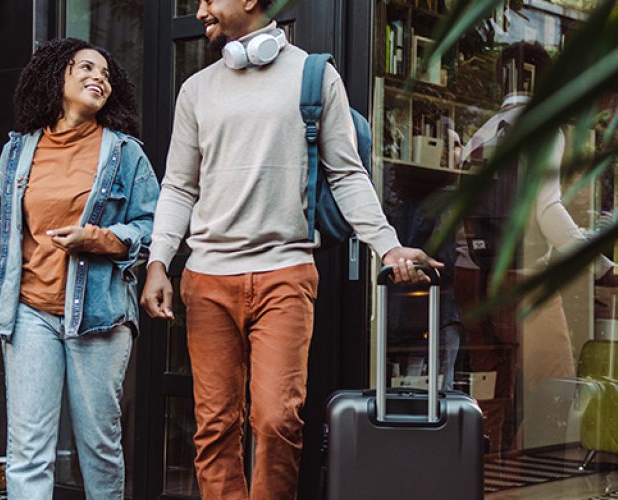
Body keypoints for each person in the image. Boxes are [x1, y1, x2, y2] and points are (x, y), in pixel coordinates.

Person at [139, 1, 441, 498]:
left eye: (209, 0)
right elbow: (178, 187)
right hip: (207, 278)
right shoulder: (196, 90)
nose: (199, 11)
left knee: (277, 420)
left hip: (285, 273)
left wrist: (388, 248)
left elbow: (347, 175)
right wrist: (158, 262)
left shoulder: (314, 76)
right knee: (214, 425)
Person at [0, 38, 158, 499]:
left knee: (97, 446)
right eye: (86, 68)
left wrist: (100, 239)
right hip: (29, 311)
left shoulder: (124, 153)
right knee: (28, 450)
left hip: (98, 315)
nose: (100, 78)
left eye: (107, 74)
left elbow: (152, 224)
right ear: (55, 76)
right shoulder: (19, 150)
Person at [462, 41, 618, 446]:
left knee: (489, 393)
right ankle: (528, 483)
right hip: (524, 280)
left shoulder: (481, 133)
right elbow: (547, 210)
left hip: (472, 279)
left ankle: (484, 481)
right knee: (555, 388)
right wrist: (604, 267)